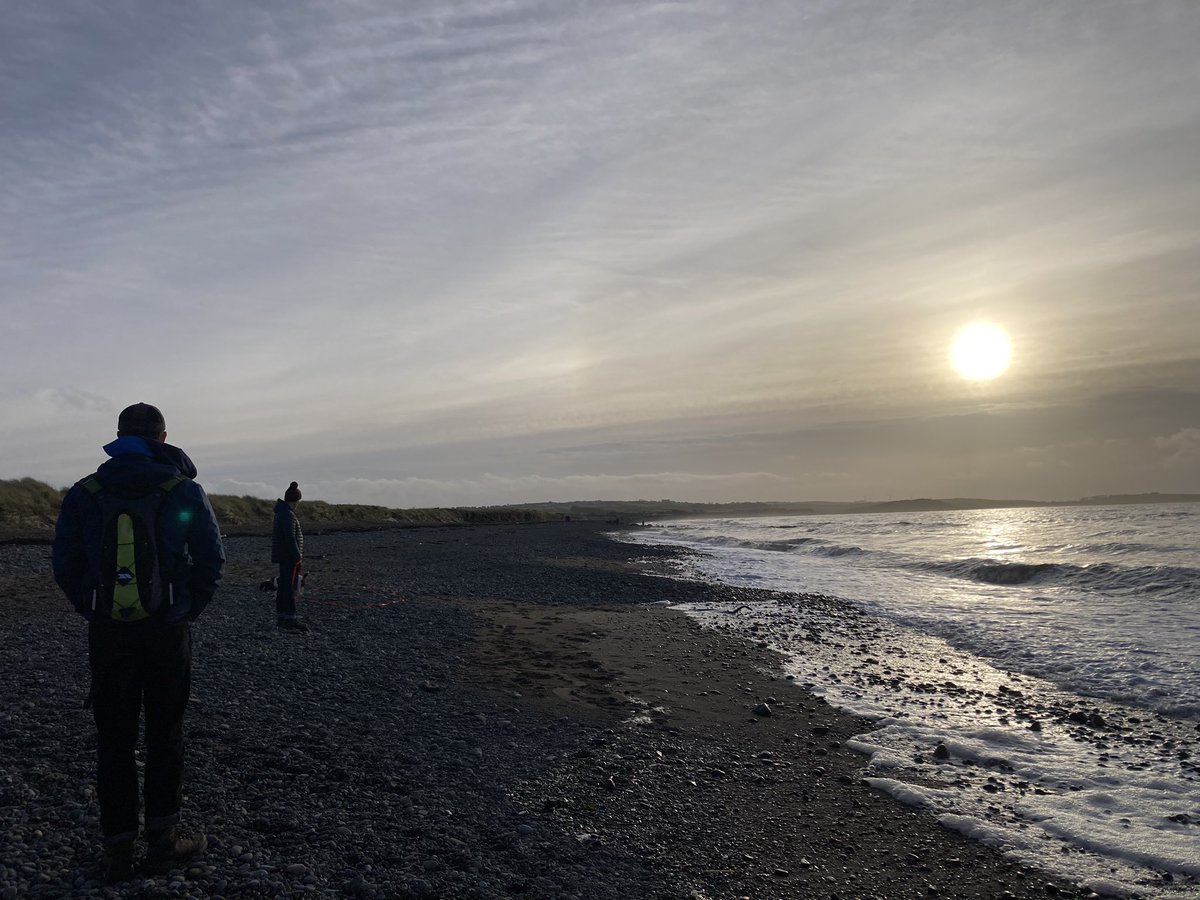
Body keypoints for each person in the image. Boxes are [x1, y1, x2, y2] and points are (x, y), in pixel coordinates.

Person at [52, 403, 224, 882]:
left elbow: (64, 561)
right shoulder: (181, 489)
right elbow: (211, 560)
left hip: (108, 631)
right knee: (165, 732)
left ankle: (116, 848)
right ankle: (164, 842)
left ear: (120, 436)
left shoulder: (86, 492)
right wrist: (184, 611)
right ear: (163, 437)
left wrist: (93, 609)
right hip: (167, 631)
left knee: (114, 737)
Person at [272, 481, 306, 632]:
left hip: (284, 556)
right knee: (288, 587)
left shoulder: (282, 512)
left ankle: (282, 617)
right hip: (288, 557)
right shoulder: (288, 515)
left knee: (284, 586)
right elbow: (290, 538)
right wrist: (297, 557)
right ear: (295, 500)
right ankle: (289, 618)